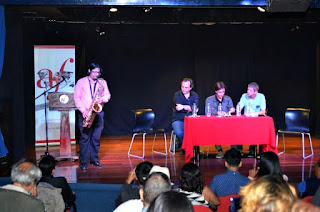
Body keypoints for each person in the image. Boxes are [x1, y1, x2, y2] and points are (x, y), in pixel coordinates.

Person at [74, 62, 111, 170]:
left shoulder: (102, 82)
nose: (96, 75)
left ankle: (94, 160)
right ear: (89, 71)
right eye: (94, 72)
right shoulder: (81, 82)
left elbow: (108, 95)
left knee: (95, 138)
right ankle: (84, 162)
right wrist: (83, 111)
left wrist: (102, 99)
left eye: (98, 73)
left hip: (98, 113)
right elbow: (77, 98)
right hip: (85, 113)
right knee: (85, 138)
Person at [205, 81, 235, 158]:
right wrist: (218, 113)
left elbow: (232, 109)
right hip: (215, 124)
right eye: (220, 92)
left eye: (223, 92)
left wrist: (229, 111)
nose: (222, 94)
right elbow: (207, 112)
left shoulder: (228, 99)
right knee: (216, 130)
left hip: (228, 123)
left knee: (235, 129)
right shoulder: (209, 99)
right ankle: (219, 150)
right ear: (216, 91)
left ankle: (233, 150)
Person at [237, 82, 266, 157]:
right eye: (247, 90)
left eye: (250, 90)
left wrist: (254, 113)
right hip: (246, 120)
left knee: (256, 130)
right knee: (238, 129)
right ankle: (239, 150)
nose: (248, 92)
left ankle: (252, 151)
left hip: (256, 120)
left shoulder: (261, 97)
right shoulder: (244, 96)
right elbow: (240, 106)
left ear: (255, 92)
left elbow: (263, 111)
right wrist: (238, 109)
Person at [172, 78, 199, 150]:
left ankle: (190, 148)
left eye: (186, 87)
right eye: (182, 87)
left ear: (190, 88)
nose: (183, 89)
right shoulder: (177, 94)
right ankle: (186, 147)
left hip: (191, 119)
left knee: (197, 132)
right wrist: (189, 108)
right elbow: (178, 108)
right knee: (179, 132)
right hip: (179, 119)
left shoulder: (194, 95)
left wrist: (183, 107)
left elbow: (195, 109)